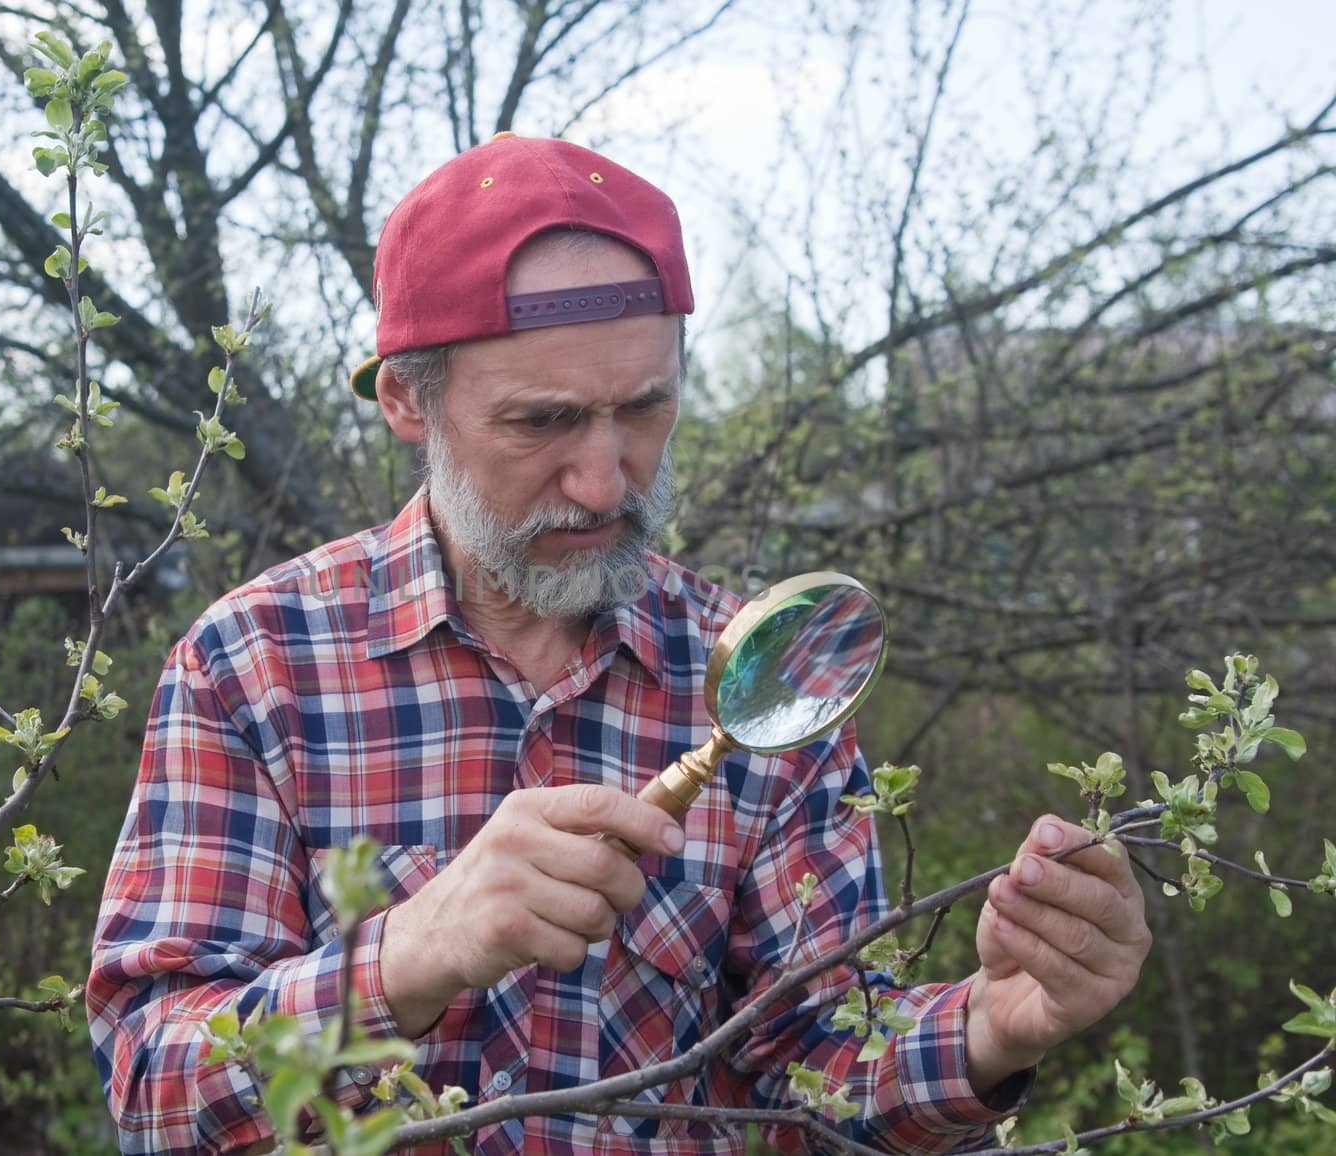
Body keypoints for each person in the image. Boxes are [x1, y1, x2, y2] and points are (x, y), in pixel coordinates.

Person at [88, 134, 1153, 1155]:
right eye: (540, 422)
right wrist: (410, 954)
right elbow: (150, 1089)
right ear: (407, 401)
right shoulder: (254, 665)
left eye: (644, 408)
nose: (604, 480)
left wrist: (990, 1030)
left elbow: (820, 1072)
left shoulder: (759, 672)